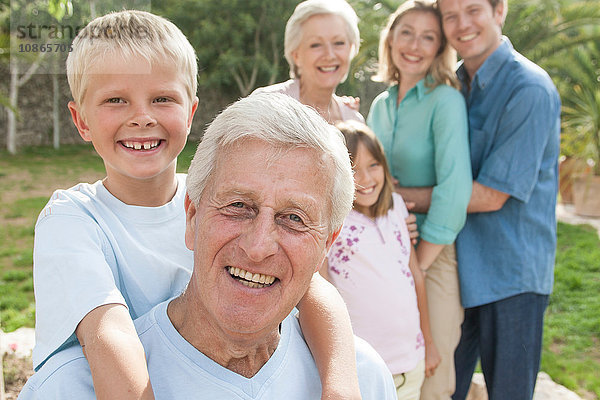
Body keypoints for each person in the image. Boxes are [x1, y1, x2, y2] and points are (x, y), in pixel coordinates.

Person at [29, 10, 366, 400]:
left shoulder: (222, 201)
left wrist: (341, 386)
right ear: (81, 120)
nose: (142, 117)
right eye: (115, 100)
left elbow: (314, 290)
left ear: (191, 112)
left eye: (162, 98)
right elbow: (109, 335)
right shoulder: (71, 219)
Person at [403, 0, 561, 398]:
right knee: (441, 389)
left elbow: (492, 195)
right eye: (450, 16)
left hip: (509, 277)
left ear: (499, 11)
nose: (462, 24)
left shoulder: (529, 88)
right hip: (454, 271)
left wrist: (397, 198)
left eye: (473, 10)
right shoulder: (451, 84)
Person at [366, 1, 472, 398]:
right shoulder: (380, 106)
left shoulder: (445, 100)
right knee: (383, 374)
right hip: (382, 254)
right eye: (406, 32)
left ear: (440, 49)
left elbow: (454, 189)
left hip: (432, 255)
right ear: (390, 38)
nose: (414, 45)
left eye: (429, 37)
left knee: (431, 377)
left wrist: (418, 268)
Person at [320, 120, 439, 400]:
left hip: (411, 364)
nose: (365, 178)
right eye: (353, 169)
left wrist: (429, 343)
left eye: (373, 165)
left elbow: (415, 277)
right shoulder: (333, 222)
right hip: (364, 369)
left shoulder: (397, 208)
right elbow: (322, 291)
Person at [253, 0, 364, 124]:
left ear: (351, 49)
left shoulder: (353, 119)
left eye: (339, 43)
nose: (329, 55)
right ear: (296, 55)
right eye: (316, 45)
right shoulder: (265, 105)